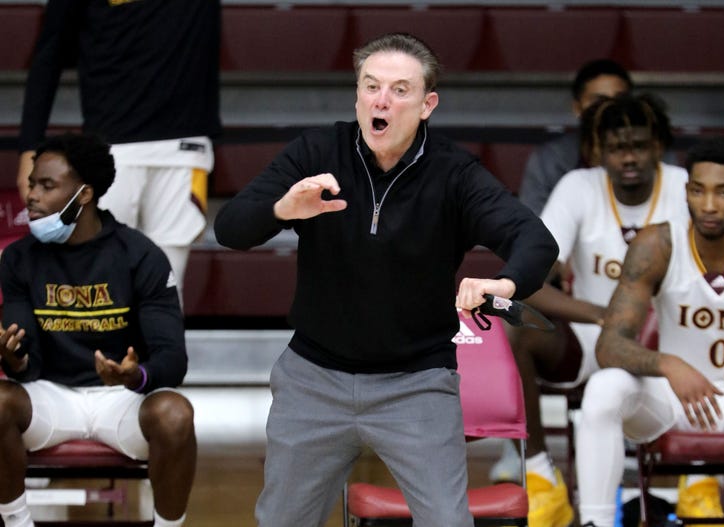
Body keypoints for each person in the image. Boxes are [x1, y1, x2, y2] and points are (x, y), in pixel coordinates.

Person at [214, 32, 558, 527]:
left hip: (417, 384)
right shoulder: (316, 152)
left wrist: (503, 285)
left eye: (400, 90)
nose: (381, 100)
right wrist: (282, 209)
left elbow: (536, 240)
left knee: (448, 522)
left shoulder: (455, 173)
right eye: (371, 86)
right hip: (314, 378)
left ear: (426, 105)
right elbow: (230, 228)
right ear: (357, 94)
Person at [576, 136, 724, 527]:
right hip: (677, 399)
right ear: (686, 192)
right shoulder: (656, 244)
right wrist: (668, 364)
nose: (708, 205)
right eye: (698, 191)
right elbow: (609, 346)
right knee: (604, 387)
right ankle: (596, 522)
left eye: (723, 193)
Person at [499, 93, 691, 527]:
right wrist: (601, 314)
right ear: (597, 150)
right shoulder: (578, 187)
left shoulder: (684, 187)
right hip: (591, 342)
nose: (629, 157)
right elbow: (527, 279)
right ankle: (542, 480)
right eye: (617, 148)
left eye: (638, 146)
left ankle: (699, 484)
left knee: (715, 331)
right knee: (511, 329)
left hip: (672, 343)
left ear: (657, 146)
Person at [0, 133, 196, 527]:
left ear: (84, 194)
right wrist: (13, 357)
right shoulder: (18, 259)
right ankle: (16, 523)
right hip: (50, 396)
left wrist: (135, 376)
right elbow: (27, 366)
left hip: (122, 401)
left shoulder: (141, 256)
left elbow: (173, 360)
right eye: (32, 184)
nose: (31, 196)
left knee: (175, 414)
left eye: (47, 185)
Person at [16, 0, 222, 302]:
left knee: (167, 290)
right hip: (110, 153)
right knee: (98, 288)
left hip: (184, 152)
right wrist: (29, 147)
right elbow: (51, 50)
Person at [517, 59, 632, 216]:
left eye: (619, 100)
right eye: (599, 101)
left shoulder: (652, 154)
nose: (610, 108)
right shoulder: (550, 158)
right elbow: (532, 223)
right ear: (577, 108)